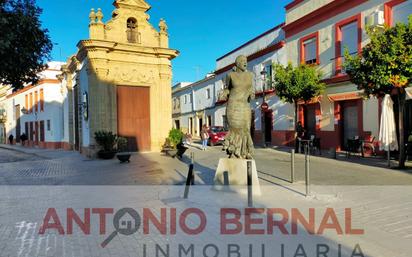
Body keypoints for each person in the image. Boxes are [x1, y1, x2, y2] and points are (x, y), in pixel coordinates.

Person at [222, 55, 255, 159]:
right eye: (243, 61)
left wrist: (252, 94)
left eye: (246, 61)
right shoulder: (230, 75)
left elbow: (251, 89)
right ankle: (233, 151)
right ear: (237, 63)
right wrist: (224, 93)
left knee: (246, 129)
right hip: (233, 105)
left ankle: (245, 152)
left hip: (245, 105)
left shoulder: (250, 75)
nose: (245, 63)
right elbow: (227, 89)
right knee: (235, 129)